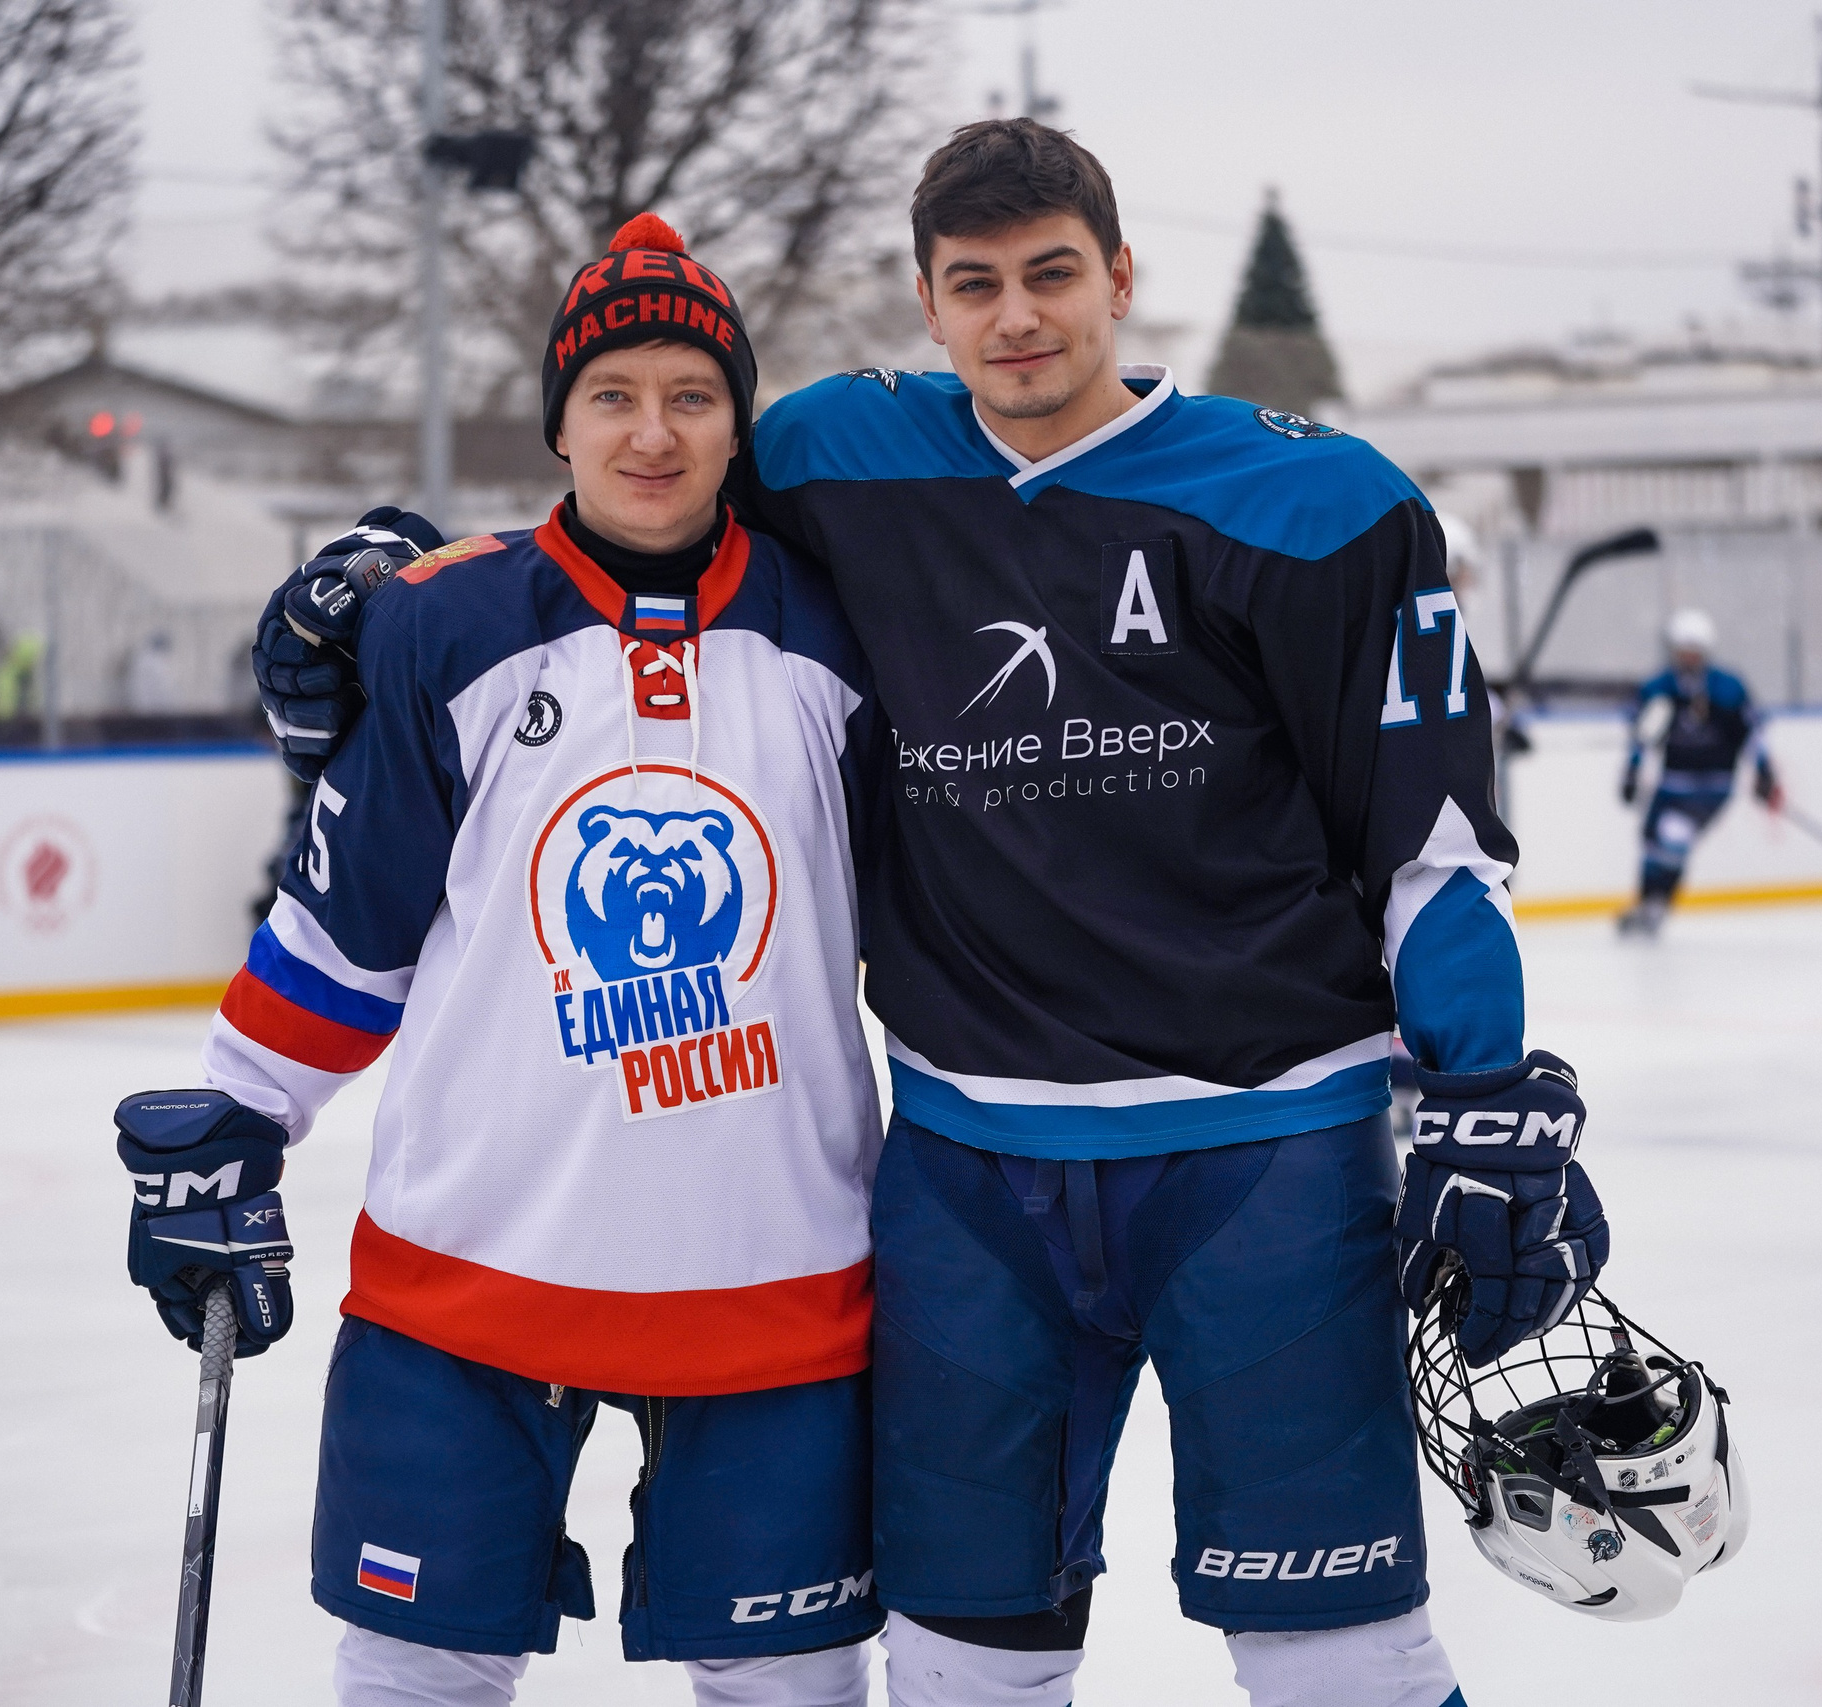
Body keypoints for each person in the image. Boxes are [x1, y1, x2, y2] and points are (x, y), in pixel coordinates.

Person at [264, 122, 1610, 1707]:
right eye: (976, 286)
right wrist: (396, 578)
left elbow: (1430, 837)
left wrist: (1481, 1088)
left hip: (1268, 1155)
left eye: (1053, 275)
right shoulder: (845, 456)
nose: (1018, 318)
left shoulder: (1314, 503)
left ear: (1119, 275)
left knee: (1340, 1655)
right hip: (973, 1175)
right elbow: (637, 474)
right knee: (963, 1663)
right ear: (927, 301)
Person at [116, 214, 887, 1707]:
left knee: (787, 1680)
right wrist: (238, 1109)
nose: (651, 431)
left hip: (776, 1266)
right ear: (560, 421)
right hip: (471, 1269)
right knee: (417, 1671)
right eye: (612, 395)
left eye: (691, 393)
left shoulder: (838, 634)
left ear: (740, 421)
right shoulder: (450, 625)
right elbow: (355, 914)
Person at [1616, 607, 1781, 938]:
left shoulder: (1729, 688)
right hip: (1670, 784)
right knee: (1651, 844)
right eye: (1683, 650)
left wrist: (1765, 772)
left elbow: (1752, 734)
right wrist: (1632, 771)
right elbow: (1642, 736)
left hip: (1711, 786)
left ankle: (1659, 905)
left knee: (1674, 837)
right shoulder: (1658, 687)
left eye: (1695, 650)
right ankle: (1649, 904)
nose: (1689, 657)